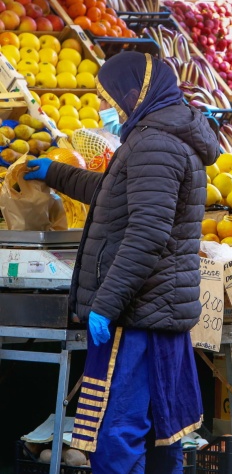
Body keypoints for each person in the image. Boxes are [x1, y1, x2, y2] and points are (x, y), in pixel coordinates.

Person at [24, 51, 221, 473]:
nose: (110, 106)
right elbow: (115, 191)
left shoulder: (155, 143)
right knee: (160, 430)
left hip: (138, 314)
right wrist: (56, 173)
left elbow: (147, 232)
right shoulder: (160, 136)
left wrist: (106, 304)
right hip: (157, 310)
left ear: (138, 92)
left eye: (114, 96)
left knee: (118, 429)